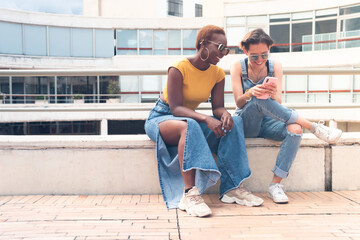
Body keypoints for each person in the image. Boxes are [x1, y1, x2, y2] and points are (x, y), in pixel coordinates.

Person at [145, 25, 263, 217]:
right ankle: (189, 194)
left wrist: (224, 114)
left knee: (235, 122)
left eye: (226, 49)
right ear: (203, 44)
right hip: (162, 118)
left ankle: (232, 187)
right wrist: (206, 118)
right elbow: (175, 108)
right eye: (220, 47)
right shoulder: (178, 68)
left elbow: (217, 107)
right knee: (190, 126)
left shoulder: (216, 74)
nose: (223, 53)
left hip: (187, 118)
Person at [230, 28, 342, 204]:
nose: (259, 60)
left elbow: (278, 101)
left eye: (264, 55)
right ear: (246, 51)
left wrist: (272, 93)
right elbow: (238, 102)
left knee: (295, 129)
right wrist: (250, 92)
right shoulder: (238, 66)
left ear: (270, 50)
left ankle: (276, 185)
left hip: (267, 121)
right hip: (246, 122)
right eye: (254, 56)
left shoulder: (275, 67)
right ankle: (313, 127)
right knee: (257, 100)